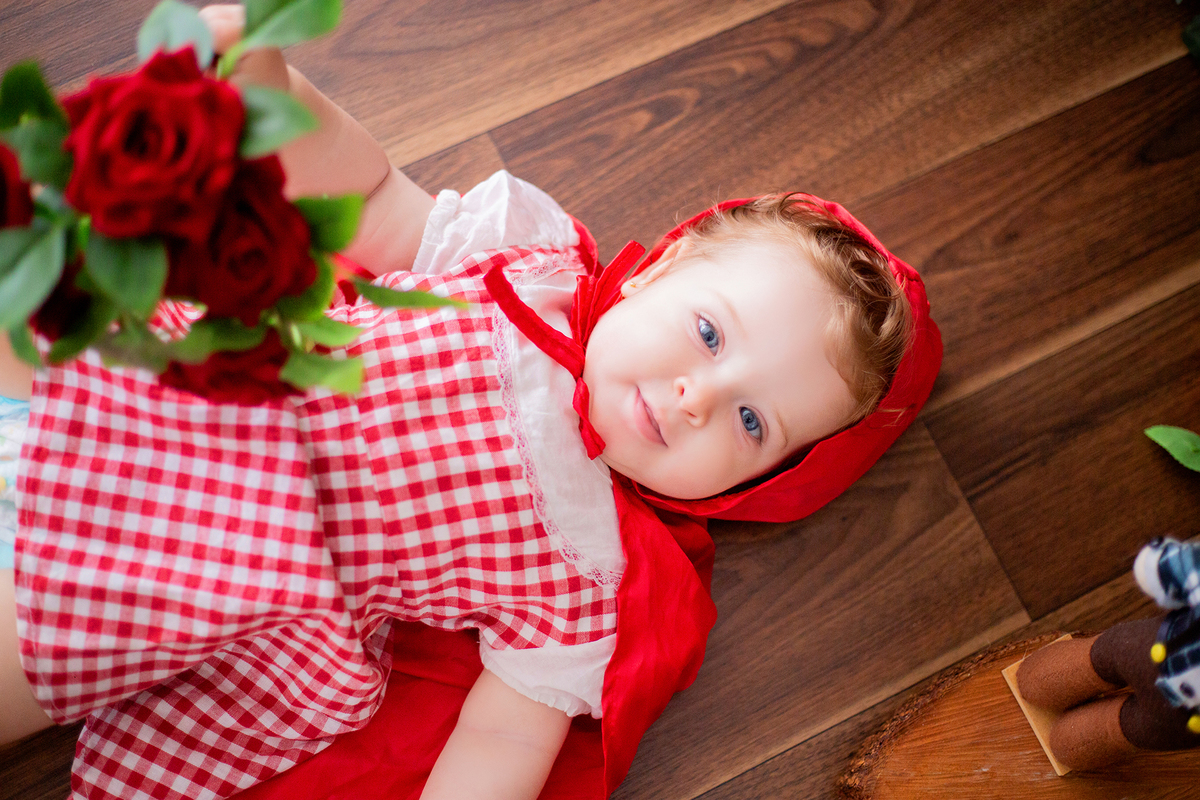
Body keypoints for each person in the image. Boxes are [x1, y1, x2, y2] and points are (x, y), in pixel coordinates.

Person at [0, 6, 943, 800]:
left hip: (213, 572)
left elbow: (497, 746)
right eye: (709, 334)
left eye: (750, 424)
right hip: (183, 387)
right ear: (660, 267)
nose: (699, 397)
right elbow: (370, 196)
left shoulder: (593, 589)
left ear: (756, 482)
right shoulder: (526, 257)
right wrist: (267, 86)